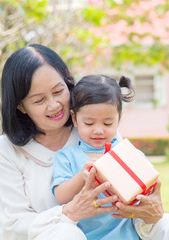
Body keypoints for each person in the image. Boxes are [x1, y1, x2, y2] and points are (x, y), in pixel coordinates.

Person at [0, 43, 169, 240]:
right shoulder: (4, 151)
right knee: (66, 235)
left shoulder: (94, 132)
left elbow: (132, 194)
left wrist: (148, 210)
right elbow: (15, 222)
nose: (53, 105)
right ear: (21, 106)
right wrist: (69, 213)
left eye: (59, 91)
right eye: (39, 100)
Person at [52, 74, 145, 239]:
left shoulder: (125, 152)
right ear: (74, 118)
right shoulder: (67, 156)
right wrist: (82, 175)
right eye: (89, 123)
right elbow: (60, 196)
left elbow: (148, 185)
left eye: (108, 123)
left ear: (119, 120)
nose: (98, 130)